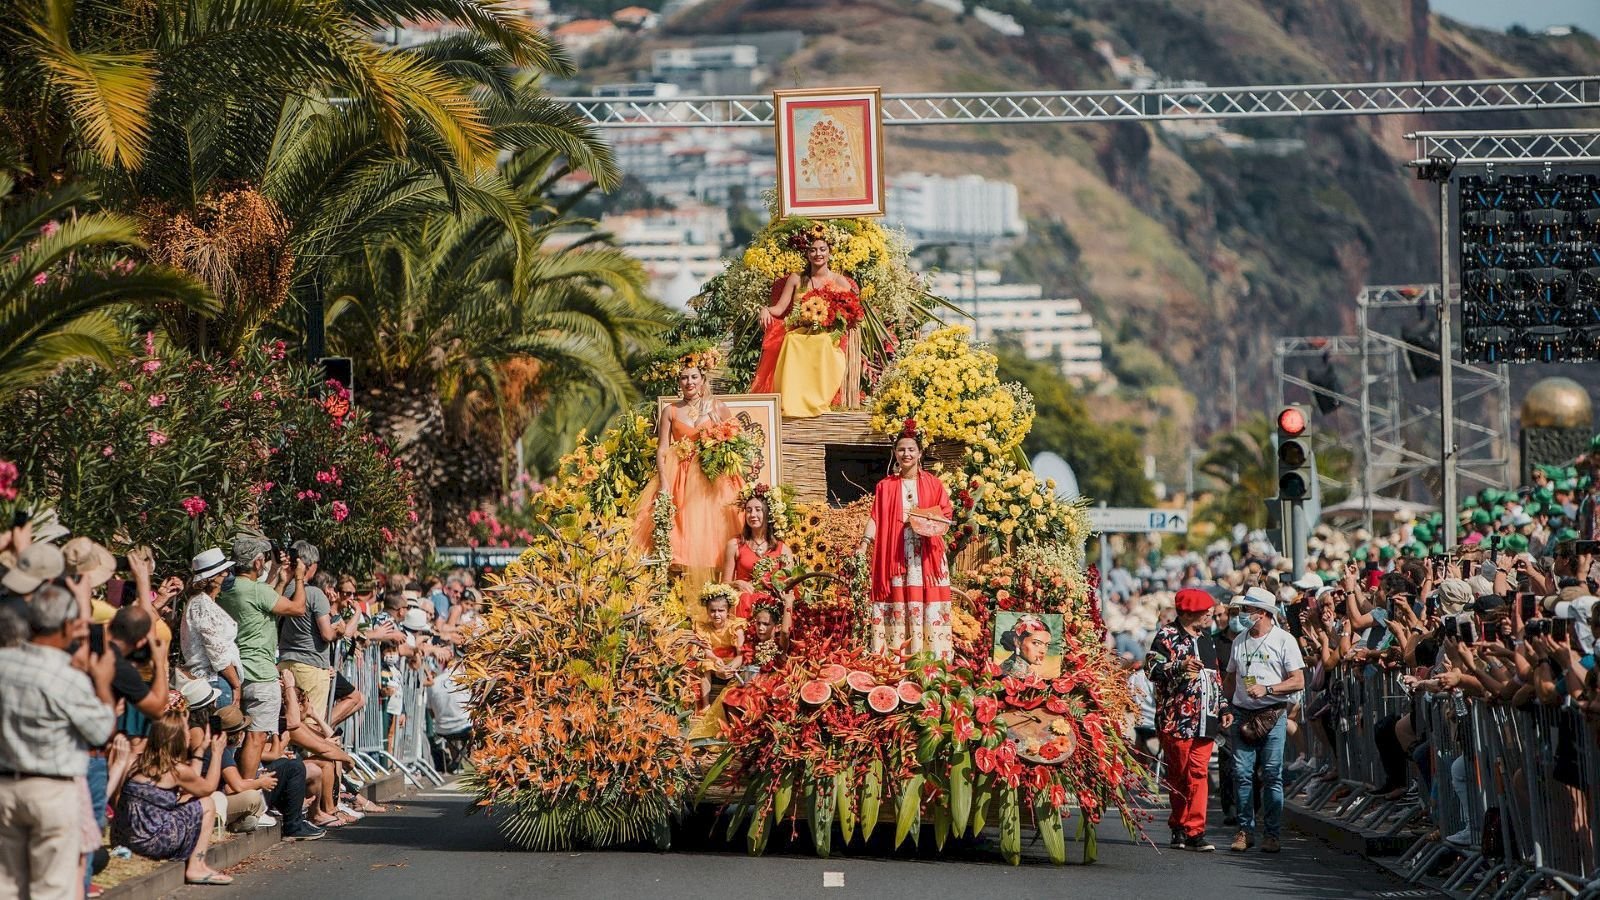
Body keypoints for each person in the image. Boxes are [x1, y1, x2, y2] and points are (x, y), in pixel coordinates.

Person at [0, 585, 118, 899]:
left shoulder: (4, 663)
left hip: (5, 788)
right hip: (52, 791)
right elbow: (100, 732)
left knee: (8, 887)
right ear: (67, 625)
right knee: (52, 888)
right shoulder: (67, 675)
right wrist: (103, 685)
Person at [630, 350, 745, 575]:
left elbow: (736, 444)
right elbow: (662, 448)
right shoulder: (670, 411)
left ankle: (717, 583)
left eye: (693, 377)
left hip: (712, 474)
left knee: (714, 527)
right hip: (680, 474)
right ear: (679, 382)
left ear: (702, 380)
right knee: (679, 532)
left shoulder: (717, 407)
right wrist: (664, 483)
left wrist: (719, 431)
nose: (689, 382)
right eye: (684, 377)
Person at [858, 418, 954, 661]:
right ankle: (894, 662)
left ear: (920, 453)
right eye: (901, 449)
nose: (906, 453)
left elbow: (946, 516)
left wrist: (924, 520)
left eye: (911, 449)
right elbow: (876, 518)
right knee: (899, 600)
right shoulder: (885, 486)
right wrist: (864, 544)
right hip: (896, 554)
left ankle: (932, 662)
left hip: (928, 555)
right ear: (895, 454)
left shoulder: (934, 484)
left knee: (926, 602)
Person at [217, 534, 307, 788]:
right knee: (255, 738)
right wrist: (298, 578)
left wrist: (280, 579)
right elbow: (297, 608)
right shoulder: (257, 590)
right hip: (261, 673)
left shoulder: (229, 588)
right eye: (265, 558)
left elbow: (266, 605)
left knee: (238, 736)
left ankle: (239, 789)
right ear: (257, 563)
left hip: (236, 671)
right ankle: (247, 794)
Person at [1223, 586, 1306, 854]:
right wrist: (1225, 705)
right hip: (1241, 714)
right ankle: (1245, 831)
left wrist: (1269, 689)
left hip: (1272, 715)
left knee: (1271, 774)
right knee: (1242, 774)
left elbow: (1298, 680)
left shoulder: (1284, 641)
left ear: (1261, 613)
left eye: (1247, 610)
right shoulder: (1239, 641)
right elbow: (1230, 678)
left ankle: (1272, 833)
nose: (1243, 614)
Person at [1146, 587, 1228, 852]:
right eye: (1205, 611)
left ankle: (1196, 830)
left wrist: (1224, 707)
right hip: (1176, 719)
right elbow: (1152, 668)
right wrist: (1179, 666)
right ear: (1191, 613)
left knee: (1198, 772)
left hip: (1206, 719)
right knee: (1179, 774)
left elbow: (1214, 677)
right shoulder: (1166, 635)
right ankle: (1178, 825)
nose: (1209, 615)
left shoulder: (1207, 639)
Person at [111, 709, 234, 885]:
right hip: (150, 842)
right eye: (186, 730)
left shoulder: (136, 762)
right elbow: (207, 788)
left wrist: (199, 751)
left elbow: (191, 788)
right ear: (177, 737)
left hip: (124, 838)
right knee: (207, 802)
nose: (189, 735)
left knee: (192, 799)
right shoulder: (175, 769)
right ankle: (196, 867)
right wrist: (216, 754)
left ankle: (198, 866)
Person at [751, 228, 860, 417]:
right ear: (807, 254)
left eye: (822, 249)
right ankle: (792, 402)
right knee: (792, 340)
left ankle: (816, 401)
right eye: (813, 250)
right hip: (799, 331)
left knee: (824, 343)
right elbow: (779, 308)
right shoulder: (796, 279)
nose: (818, 254)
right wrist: (764, 309)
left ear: (829, 252)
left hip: (826, 334)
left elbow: (852, 310)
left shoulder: (839, 280)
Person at [278, 541, 336, 723]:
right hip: (311, 666)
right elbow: (327, 634)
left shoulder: (282, 590)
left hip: (286, 663)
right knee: (311, 725)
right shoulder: (315, 594)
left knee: (287, 722)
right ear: (310, 565)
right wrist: (338, 631)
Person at [180, 547, 242, 708]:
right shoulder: (202, 605)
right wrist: (236, 685)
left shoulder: (204, 603)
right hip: (214, 680)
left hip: (214, 679)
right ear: (214, 577)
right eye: (224, 571)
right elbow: (217, 652)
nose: (227, 574)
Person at [722, 485, 793, 618]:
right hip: (743, 604)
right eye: (748, 510)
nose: (752, 515)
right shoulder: (734, 545)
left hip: (771, 607)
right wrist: (736, 584)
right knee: (744, 600)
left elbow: (789, 586)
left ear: (768, 513)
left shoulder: (783, 549)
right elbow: (724, 584)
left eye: (758, 510)